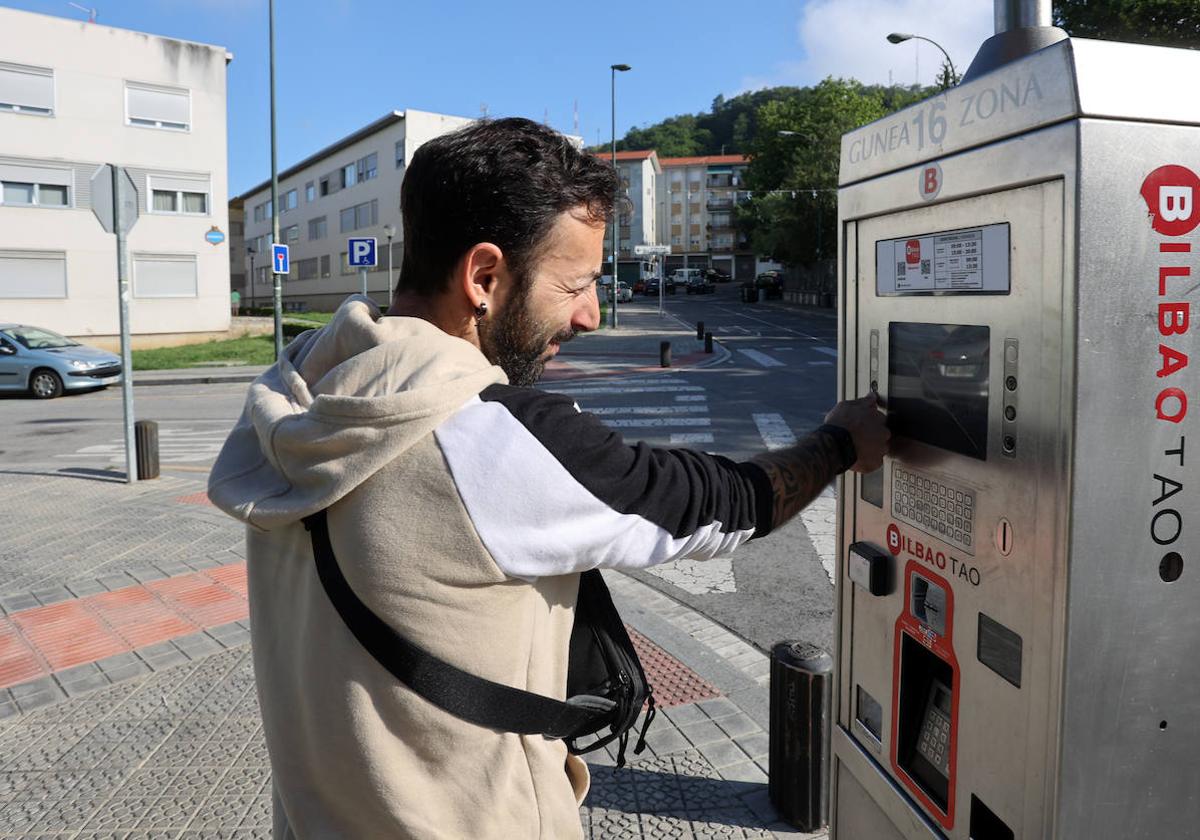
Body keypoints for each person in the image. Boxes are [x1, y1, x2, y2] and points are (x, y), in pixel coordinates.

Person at [208, 118, 888, 839]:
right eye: (576, 284)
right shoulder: (489, 437)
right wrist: (840, 443)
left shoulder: (305, 385)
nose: (591, 315)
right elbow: (721, 505)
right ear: (483, 277)